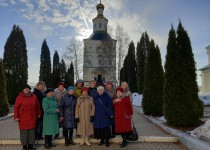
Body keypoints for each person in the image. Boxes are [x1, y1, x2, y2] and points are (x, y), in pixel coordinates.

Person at [14, 84, 41, 150]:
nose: (26, 90)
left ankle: (31, 146)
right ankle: (24, 146)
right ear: (23, 90)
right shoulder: (19, 97)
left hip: (32, 117)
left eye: (27, 88)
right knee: (24, 133)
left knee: (31, 132)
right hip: (23, 118)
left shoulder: (34, 96)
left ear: (29, 89)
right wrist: (16, 117)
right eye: (25, 89)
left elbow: (37, 106)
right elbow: (16, 108)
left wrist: (38, 113)